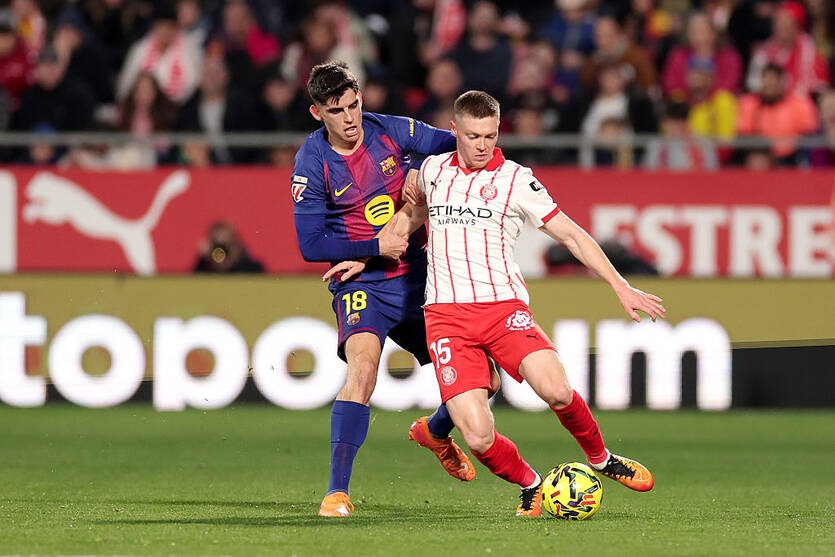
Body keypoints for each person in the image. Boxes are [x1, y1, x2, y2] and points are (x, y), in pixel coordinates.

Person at [327, 90, 665, 516]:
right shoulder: (432, 171)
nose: (483, 145)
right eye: (473, 136)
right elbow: (409, 219)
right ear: (455, 131)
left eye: (490, 135)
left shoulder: (516, 180)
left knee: (556, 389)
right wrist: (365, 256)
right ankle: (533, 486)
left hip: (503, 309)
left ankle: (602, 459)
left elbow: (572, 235)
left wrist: (620, 285)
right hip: (446, 319)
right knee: (478, 435)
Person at [291, 61, 478, 518]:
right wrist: (374, 247)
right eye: (336, 111)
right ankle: (336, 493)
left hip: (419, 277)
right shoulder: (312, 161)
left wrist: (424, 169)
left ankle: (435, 432)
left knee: (485, 379)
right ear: (317, 113)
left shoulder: (390, 130)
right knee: (363, 369)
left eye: (354, 105)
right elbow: (311, 244)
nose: (350, 119)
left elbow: (465, 148)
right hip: (363, 284)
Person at [193, 220, 264, 273]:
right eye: (217, 248)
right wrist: (203, 261)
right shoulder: (204, 267)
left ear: (235, 245)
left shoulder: (252, 269)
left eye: (225, 247)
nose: (221, 254)